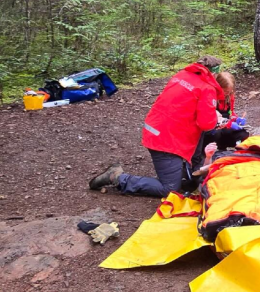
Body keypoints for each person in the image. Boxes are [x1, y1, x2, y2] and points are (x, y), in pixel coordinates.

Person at [89, 55, 225, 197]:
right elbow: (206, 124)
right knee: (169, 189)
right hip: (166, 139)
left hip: (157, 127)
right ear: (214, 73)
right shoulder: (207, 87)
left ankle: (191, 175)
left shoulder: (182, 75)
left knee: (199, 140)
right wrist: (216, 118)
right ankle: (117, 177)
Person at [192, 72, 249, 171]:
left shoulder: (229, 96)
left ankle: (233, 153)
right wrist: (229, 124)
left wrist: (236, 119)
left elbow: (230, 112)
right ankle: (204, 155)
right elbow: (210, 118)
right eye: (225, 91)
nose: (228, 93)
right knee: (215, 133)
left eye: (230, 91)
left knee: (243, 134)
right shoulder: (210, 96)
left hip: (225, 125)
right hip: (212, 128)